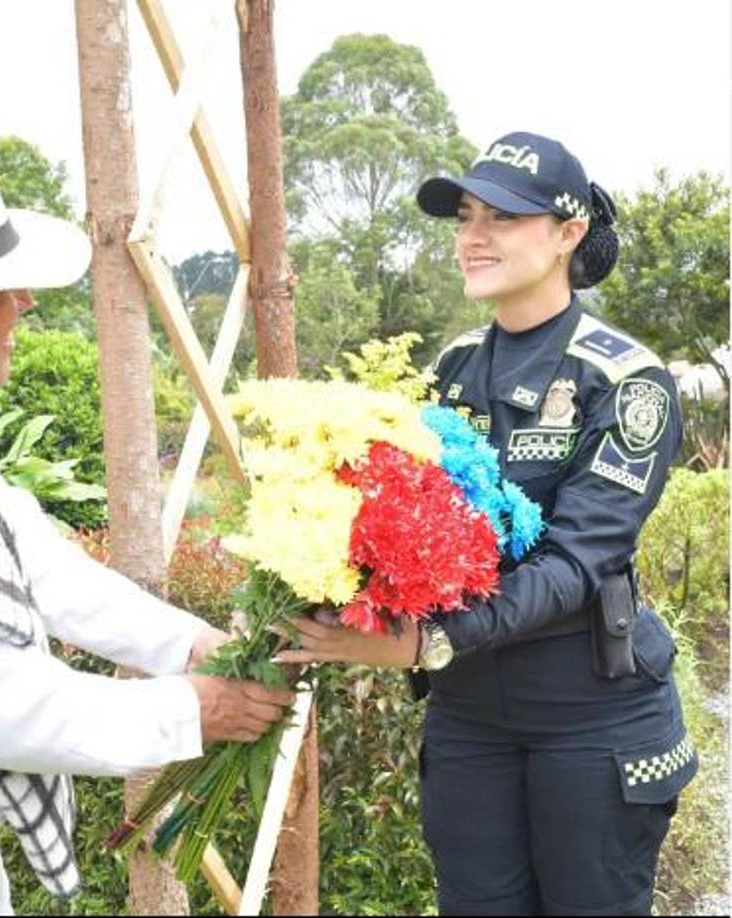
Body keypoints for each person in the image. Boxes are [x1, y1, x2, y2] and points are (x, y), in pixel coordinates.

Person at [0, 135, 293, 916]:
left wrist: (195, 646)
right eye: (1, 287)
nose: (25, 304)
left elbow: (33, 560)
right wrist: (199, 708)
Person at [278, 131, 697, 916]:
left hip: (590, 720)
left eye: (504, 216)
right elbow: (396, 520)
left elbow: (577, 563)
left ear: (568, 233)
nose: (474, 235)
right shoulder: (451, 369)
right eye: (467, 215)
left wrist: (424, 641)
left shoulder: (627, 380)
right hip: (470, 719)